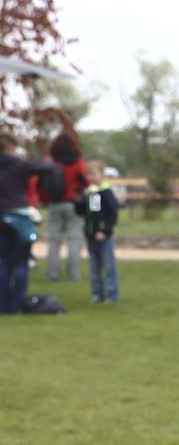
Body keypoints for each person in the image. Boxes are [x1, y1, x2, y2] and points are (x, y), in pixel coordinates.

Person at [0, 131, 56, 315]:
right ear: (10, 147)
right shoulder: (19, 164)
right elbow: (47, 169)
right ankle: (15, 305)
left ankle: (3, 305)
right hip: (21, 215)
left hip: (2, 216)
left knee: (5, 262)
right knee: (21, 262)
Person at [39, 128, 89, 283]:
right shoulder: (78, 161)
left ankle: (52, 274)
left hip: (55, 203)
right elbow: (85, 183)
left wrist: (44, 200)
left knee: (54, 240)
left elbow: (41, 183)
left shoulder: (48, 161)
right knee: (74, 239)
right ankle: (73, 275)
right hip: (74, 203)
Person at [81, 163, 121, 303]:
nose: (91, 177)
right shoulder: (93, 193)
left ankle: (112, 294)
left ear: (102, 175)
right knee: (94, 267)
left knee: (108, 266)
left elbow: (112, 213)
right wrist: (80, 201)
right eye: (89, 174)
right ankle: (97, 294)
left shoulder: (106, 192)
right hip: (92, 235)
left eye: (94, 174)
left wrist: (103, 230)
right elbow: (93, 212)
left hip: (104, 236)